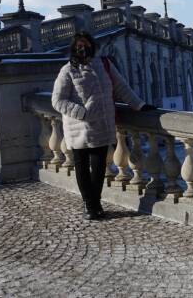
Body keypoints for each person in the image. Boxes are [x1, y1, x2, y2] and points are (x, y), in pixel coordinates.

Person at [51, 32, 154, 220]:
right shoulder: (67, 70)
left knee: (99, 168)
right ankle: (89, 205)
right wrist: (81, 113)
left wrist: (139, 105)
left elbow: (122, 88)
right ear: (73, 48)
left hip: (101, 126)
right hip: (78, 128)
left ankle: (95, 202)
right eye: (79, 46)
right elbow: (57, 101)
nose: (83, 49)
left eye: (86, 45)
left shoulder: (104, 64)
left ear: (92, 46)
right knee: (82, 169)